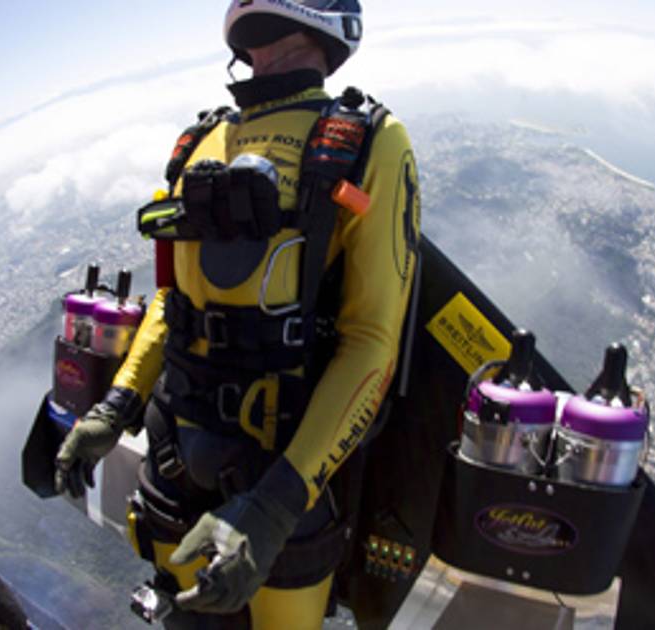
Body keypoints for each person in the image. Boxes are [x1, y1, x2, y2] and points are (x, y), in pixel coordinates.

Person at [55, 1, 420, 627]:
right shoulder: (200, 139)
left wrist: (276, 506)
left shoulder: (371, 140)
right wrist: (113, 410)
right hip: (171, 458)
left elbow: (371, 342)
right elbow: (173, 303)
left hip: (280, 472)